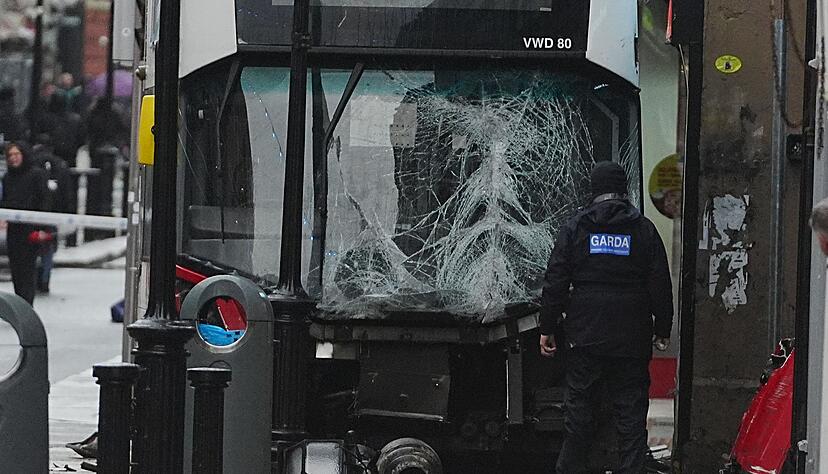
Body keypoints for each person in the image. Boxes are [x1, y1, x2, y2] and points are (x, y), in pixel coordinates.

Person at [539, 161, 674, 474]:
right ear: (624, 189)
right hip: (631, 335)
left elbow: (556, 279)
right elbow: (660, 283)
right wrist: (662, 328)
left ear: (593, 189)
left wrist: (547, 327)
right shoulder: (643, 229)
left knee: (579, 408)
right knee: (630, 413)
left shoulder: (576, 227)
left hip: (585, 332)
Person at [1, 142, 49, 304]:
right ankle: (20, 303)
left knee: (28, 270)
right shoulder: (8, 177)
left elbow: (44, 201)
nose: (13, 159)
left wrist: (43, 228)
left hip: (31, 229)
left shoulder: (36, 175)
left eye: (16, 154)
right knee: (16, 269)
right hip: (14, 229)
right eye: (10, 156)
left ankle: (27, 305)